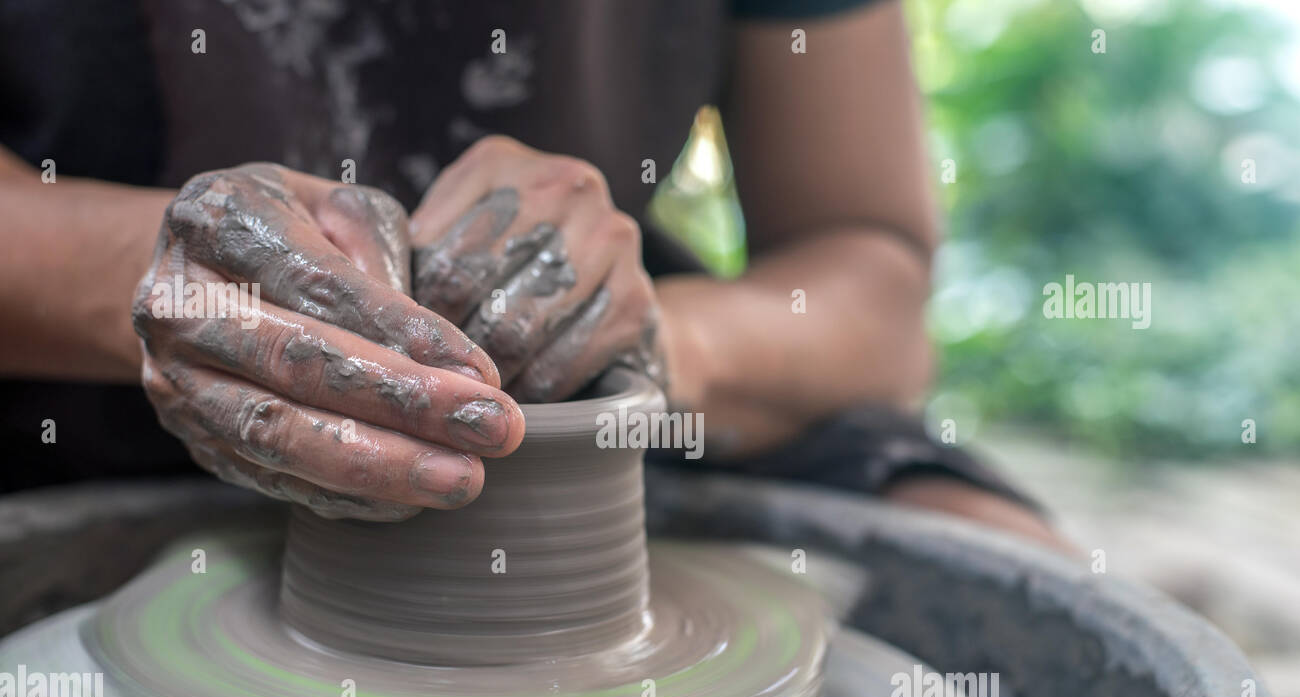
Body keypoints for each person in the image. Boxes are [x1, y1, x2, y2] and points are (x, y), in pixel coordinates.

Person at [0, 0, 1064, 547]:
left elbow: (870, 282)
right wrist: (167, 279)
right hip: (71, 405)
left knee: (998, 571)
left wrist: (648, 349)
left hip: (578, 431)